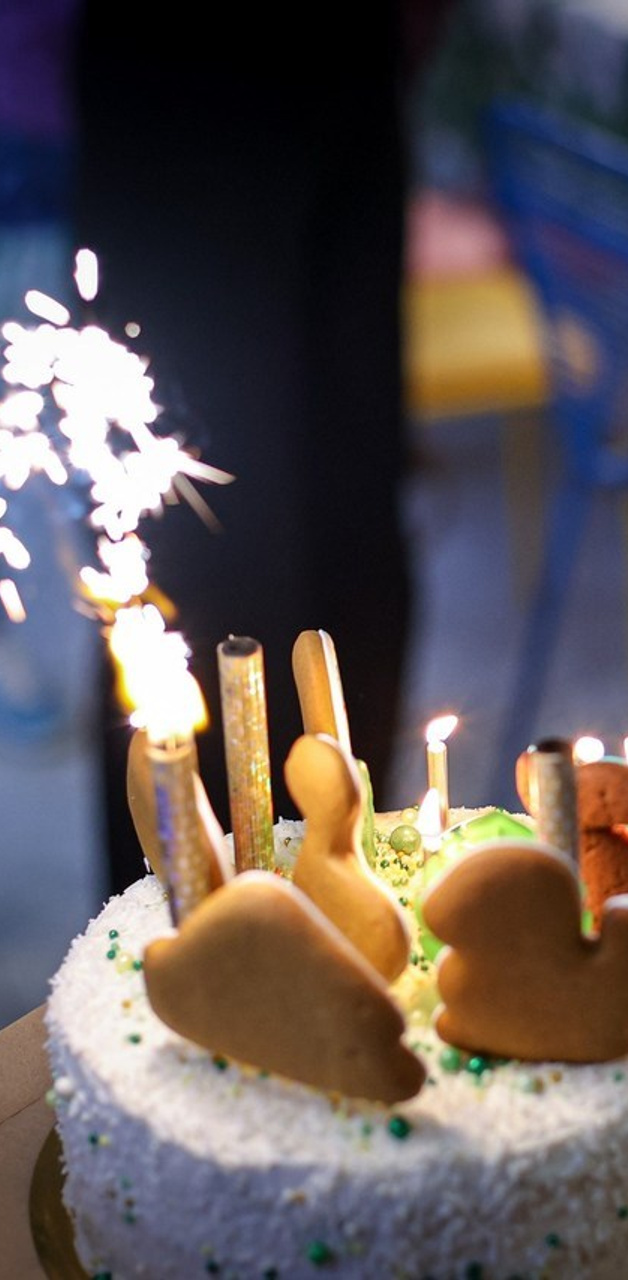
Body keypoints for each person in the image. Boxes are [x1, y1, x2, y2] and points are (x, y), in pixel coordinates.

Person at [73, 3, 416, 893]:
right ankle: (175, 930)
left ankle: (348, 880)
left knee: (354, 535)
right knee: (188, 535)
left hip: (347, 59)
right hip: (176, 84)